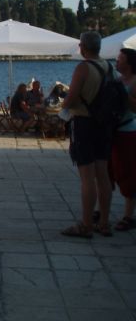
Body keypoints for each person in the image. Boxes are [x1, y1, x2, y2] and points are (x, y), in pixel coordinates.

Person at [61, 31, 114, 238]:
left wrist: (63, 107)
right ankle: (104, 223)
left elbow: (71, 98)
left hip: (84, 123)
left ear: (83, 47)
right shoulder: (109, 66)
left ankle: (86, 225)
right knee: (103, 174)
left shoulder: (83, 68)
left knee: (87, 177)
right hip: (104, 124)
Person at [110, 48, 136, 231]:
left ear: (129, 62)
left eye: (120, 58)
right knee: (110, 171)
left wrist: (124, 95)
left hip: (128, 132)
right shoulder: (118, 80)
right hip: (113, 131)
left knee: (128, 172)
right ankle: (101, 210)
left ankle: (128, 215)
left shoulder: (134, 81)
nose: (117, 61)